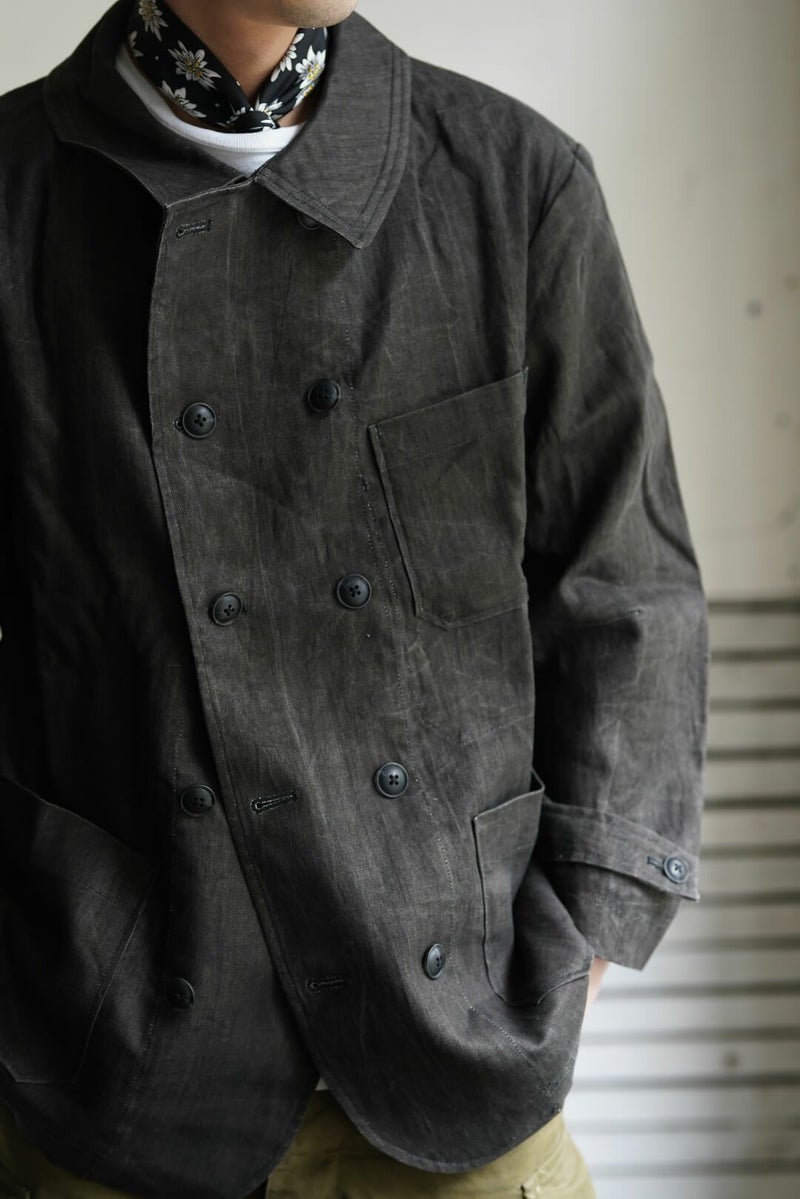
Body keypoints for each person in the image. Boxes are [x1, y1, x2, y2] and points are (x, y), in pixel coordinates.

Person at [0, 1, 708, 1196]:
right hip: (117, 1068)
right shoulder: (19, 191)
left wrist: (584, 925)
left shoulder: (510, 182)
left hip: (457, 1050)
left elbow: (625, 586)